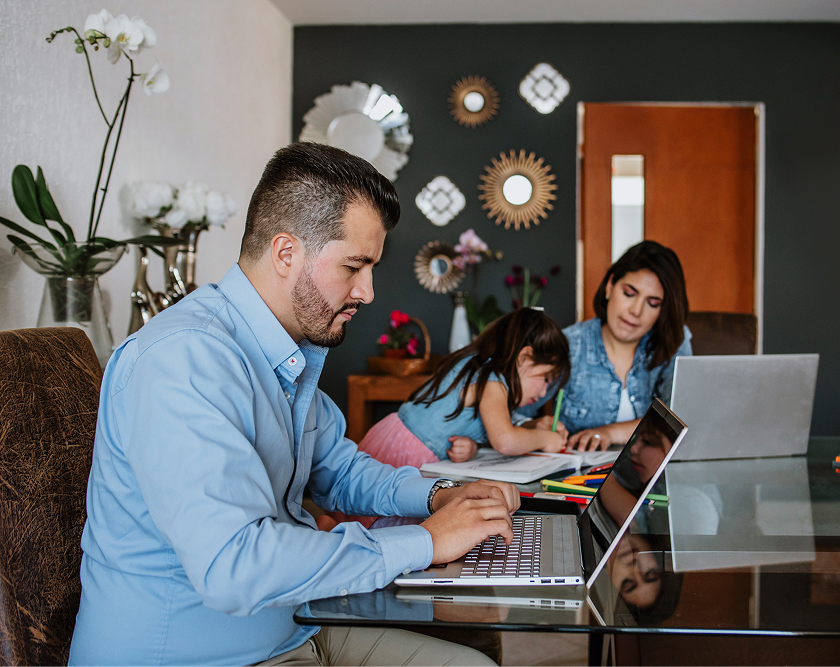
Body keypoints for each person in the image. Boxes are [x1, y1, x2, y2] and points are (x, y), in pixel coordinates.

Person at [68, 143, 518, 667]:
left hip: (290, 630)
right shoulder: (184, 360)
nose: (368, 291)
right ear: (286, 253)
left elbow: (342, 471)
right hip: (198, 656)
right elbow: (233, 567)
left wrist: (443, 495)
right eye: (354, 266)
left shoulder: (283, 351)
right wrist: (424, 543)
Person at [517, 241, 692, 451]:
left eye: (652, 303)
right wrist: (533, 426)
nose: (636, 311)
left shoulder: (673, 341)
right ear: (610, 286)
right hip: (576, 476)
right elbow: (512, 413)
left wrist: (609, 433)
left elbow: (677, 419)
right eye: (629, 293)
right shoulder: (570, 344)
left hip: (646, 476)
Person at [357, 308, 571, 469]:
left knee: (353, 517)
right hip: (403, 455)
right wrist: (546, 439)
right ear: (524, 358)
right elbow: (505, 441)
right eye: (545, 378)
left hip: (394, 441)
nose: (544, 392)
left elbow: (494, 425)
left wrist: (534, 425)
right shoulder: (491, 382)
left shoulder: (479, 366)